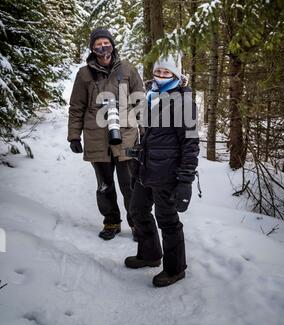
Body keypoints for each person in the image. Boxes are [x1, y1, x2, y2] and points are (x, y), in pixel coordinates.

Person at [124, 53, 199, 287]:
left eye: (167, 72)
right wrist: (139, 151)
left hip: (168, 173)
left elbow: (190, 143)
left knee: (167, 220)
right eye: (158, 71)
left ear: (177, 75)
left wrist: (185, 179)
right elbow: (152, 135)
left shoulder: (183, 101)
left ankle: (176, 269)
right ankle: (150, 254)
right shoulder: (151, 96)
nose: (162, 75)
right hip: (146, 169)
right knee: (137, 210)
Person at [67, 27, 144, 241]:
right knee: (104, 185)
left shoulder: (128, 69)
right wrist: (74, 135)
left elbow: (140, 102)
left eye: (106, 43)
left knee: (130, 185)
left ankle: (137, 223)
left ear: (112, 44)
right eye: (98, 44)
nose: (103, 48)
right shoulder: (84, 74)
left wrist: (145, 133)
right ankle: (111, 221)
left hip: (127, 135)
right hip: (96, 138)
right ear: (92, 48)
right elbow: (76, 107)